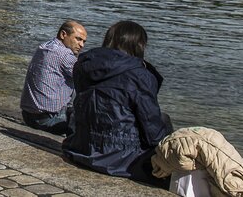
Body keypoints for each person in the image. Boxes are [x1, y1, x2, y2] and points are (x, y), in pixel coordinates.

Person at [63, 20, 171, 186]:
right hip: (122, 159)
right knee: (164, 121)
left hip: (80, 147)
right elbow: (152, 130)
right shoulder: (140, 75)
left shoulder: (84, 65)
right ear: (139, 45)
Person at [20, 20, 87, 135]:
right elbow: (88, 77)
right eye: (78, 39)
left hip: (27, 115)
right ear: (63, 35)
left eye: (84, 41)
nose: (82, 45)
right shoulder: (64, 54)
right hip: (47, 120)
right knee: (88, 123)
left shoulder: (44, 47)